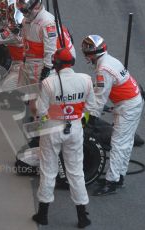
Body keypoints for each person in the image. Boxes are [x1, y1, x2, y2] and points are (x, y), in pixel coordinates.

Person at [33, 47, 95, 228]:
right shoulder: (86, 80)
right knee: (76, 172)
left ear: (56, 64)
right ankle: (82, 217)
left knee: (48, 171)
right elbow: (90, 106)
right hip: (75, 128)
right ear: (72, 63)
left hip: (52, 128)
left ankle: (42, 215)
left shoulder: (48, 83)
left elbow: (41, 110)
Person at [81, 34, 144, 196]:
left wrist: (90, 120)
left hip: (128, 106)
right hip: (130, 102)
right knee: (125, 142)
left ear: (93, 54)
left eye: (87, 54)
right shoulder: (109, 60)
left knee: (118, 143)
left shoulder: (103, 69)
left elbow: (100, 98)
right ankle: (118, 176)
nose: (87, 57)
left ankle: (112, 183)